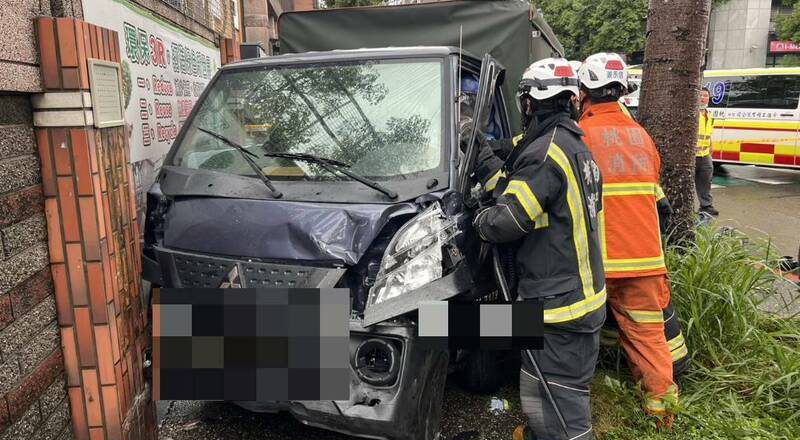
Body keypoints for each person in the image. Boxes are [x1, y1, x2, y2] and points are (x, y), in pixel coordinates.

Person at [472, 58, 606, 440]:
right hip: (574, 298)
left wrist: (480, 221)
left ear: (529, 103)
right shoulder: (570, 144)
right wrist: (479, 150)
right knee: (544, 393)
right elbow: (511, 175)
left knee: (561, 407)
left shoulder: (546, 154)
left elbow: (506, 222)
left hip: (560, 309)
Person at [576, 52, 684, 425]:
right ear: (622, 91)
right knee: (649, 336)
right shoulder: (642, 137)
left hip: (598, 262)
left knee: (570, 329)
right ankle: (662, 415)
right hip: (645, 260)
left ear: (583, 92)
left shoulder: (581, 136)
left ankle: (574, 403)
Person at [696, 87, 718, 216]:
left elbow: (708, 134)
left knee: (706, 180)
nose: (703, 98)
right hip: (691, 155)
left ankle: (706, 205)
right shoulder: (693, 114)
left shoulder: (709, 115)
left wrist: (711, 145)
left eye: (705, 96)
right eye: (700, 95)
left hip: (705, 155)